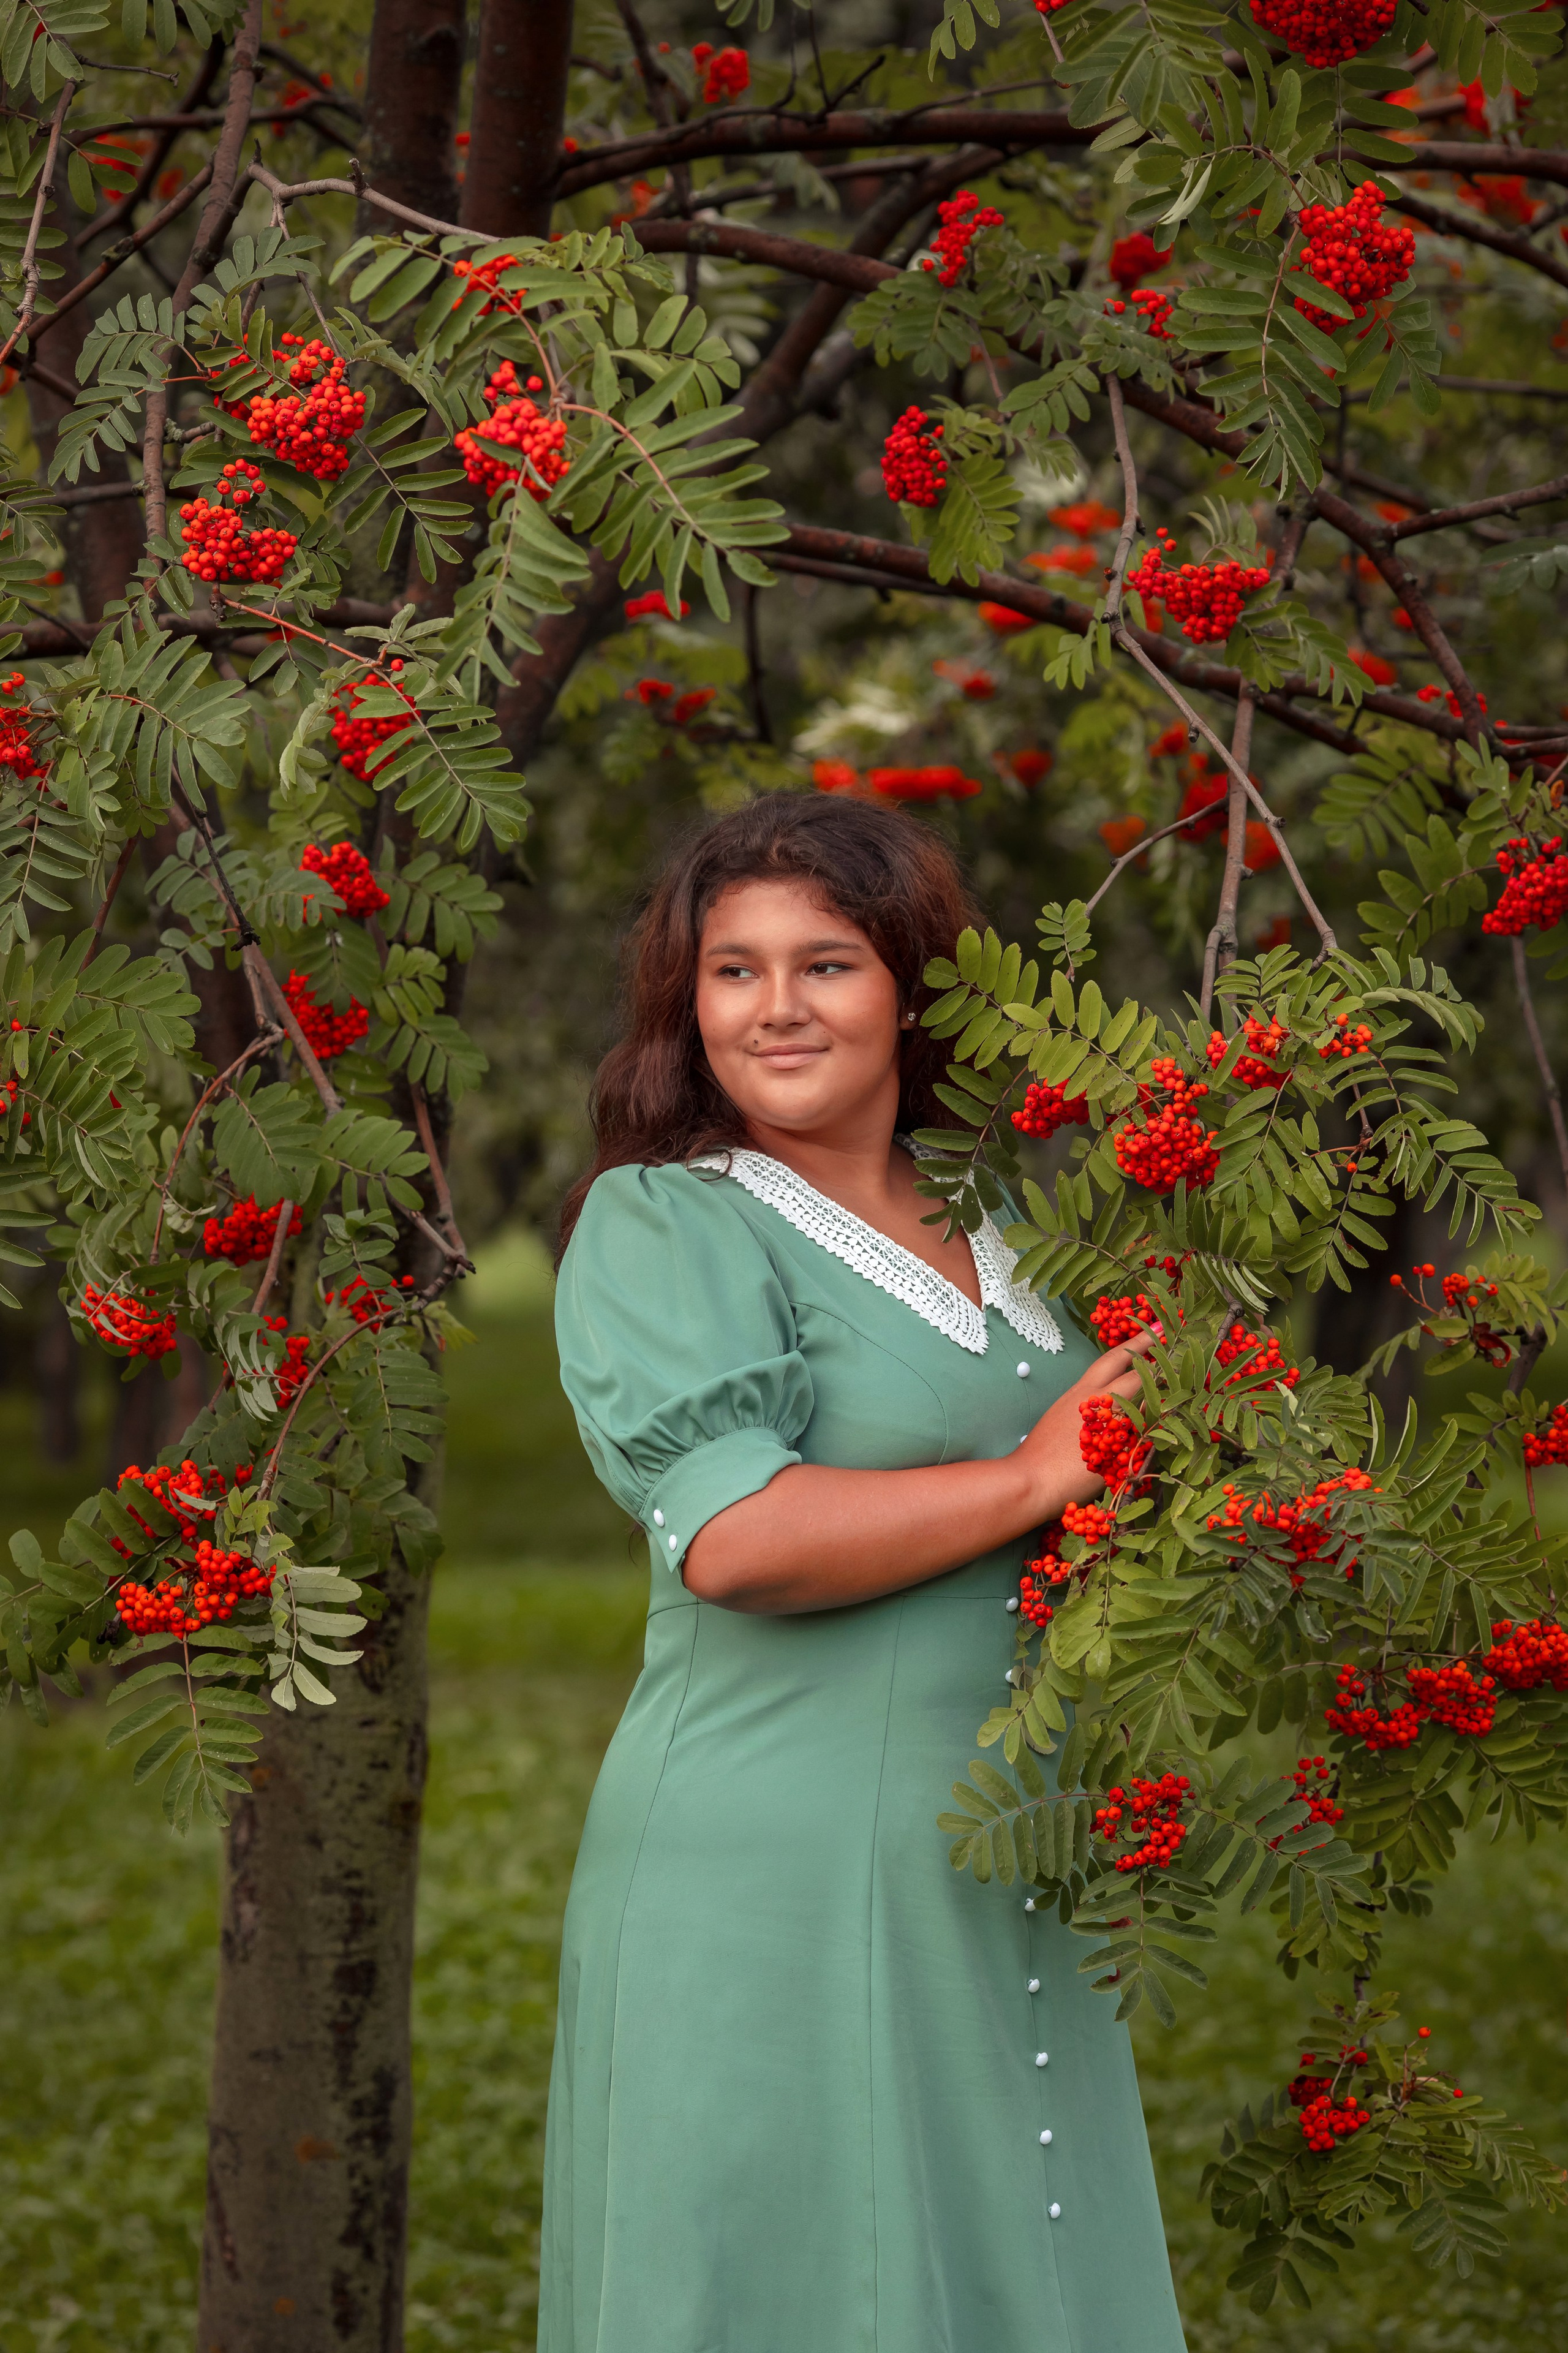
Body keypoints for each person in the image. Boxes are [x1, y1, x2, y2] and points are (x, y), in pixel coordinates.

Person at [541, 795, 1185, 2353]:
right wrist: (1037, 1474)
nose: (773, 1009)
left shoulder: (1009, 1218)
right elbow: (737, 1538)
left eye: (822, 964)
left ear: (909, 982)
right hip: (776, 1864)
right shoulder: (665, 1220)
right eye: (731, 970)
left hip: (1001, 1852)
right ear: (684, 1005)